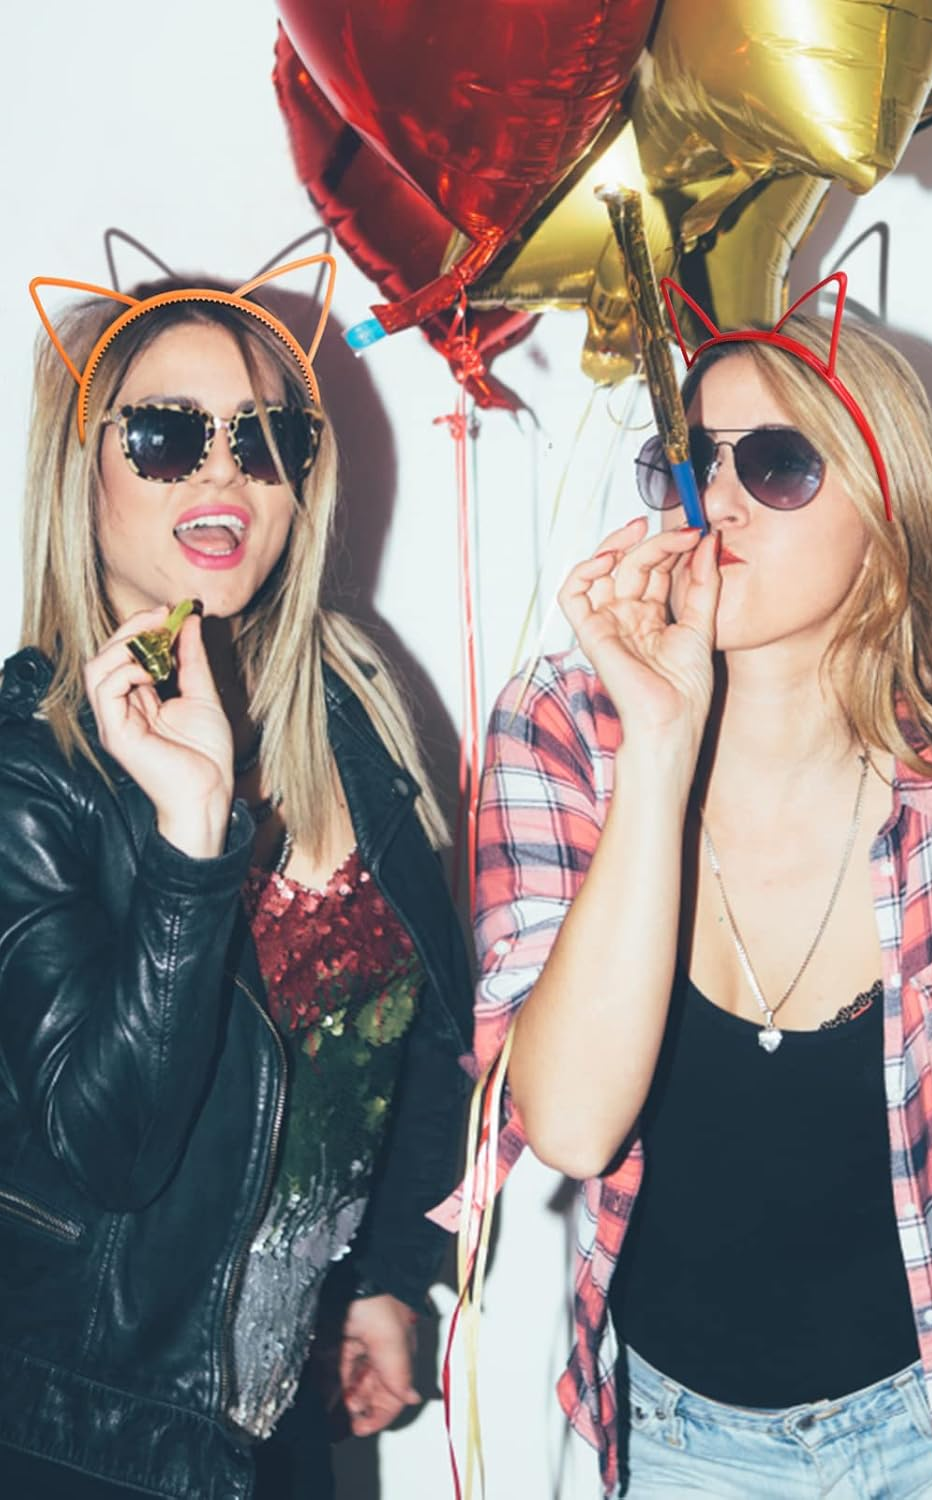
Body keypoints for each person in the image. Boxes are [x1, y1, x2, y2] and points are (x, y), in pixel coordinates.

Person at [454, 276, 932, 1499]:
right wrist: (661, 745)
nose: (716, 499)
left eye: (779, 464)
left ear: (884, 505)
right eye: (688, 462)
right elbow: (572, 1124)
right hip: (685, 1446)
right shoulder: (566, 728)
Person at [0, 259, 473, 1498]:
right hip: (87, 1438)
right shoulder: (29, 771)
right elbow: (113, 1152)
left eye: (267, 439)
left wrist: (384, 1279)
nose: (225, 474)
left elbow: (427, 1029)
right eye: (168, 436)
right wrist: (190, 839)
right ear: (84, 468)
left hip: (271, 1426)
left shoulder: (348, 704)